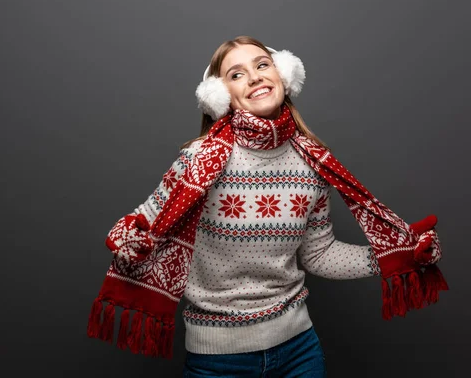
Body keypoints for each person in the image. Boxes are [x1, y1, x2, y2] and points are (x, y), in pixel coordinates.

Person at [87, 36, 448, 377]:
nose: (254, 77)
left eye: (262, 64)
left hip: (299, 350)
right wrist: (127, 240)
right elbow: (141, 225)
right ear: (220, 95)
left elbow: (319, 254)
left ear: (283, 75)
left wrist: (395, 254)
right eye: (236, 74)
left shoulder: (314, 163)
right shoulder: (198, 161)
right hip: (217, 361)